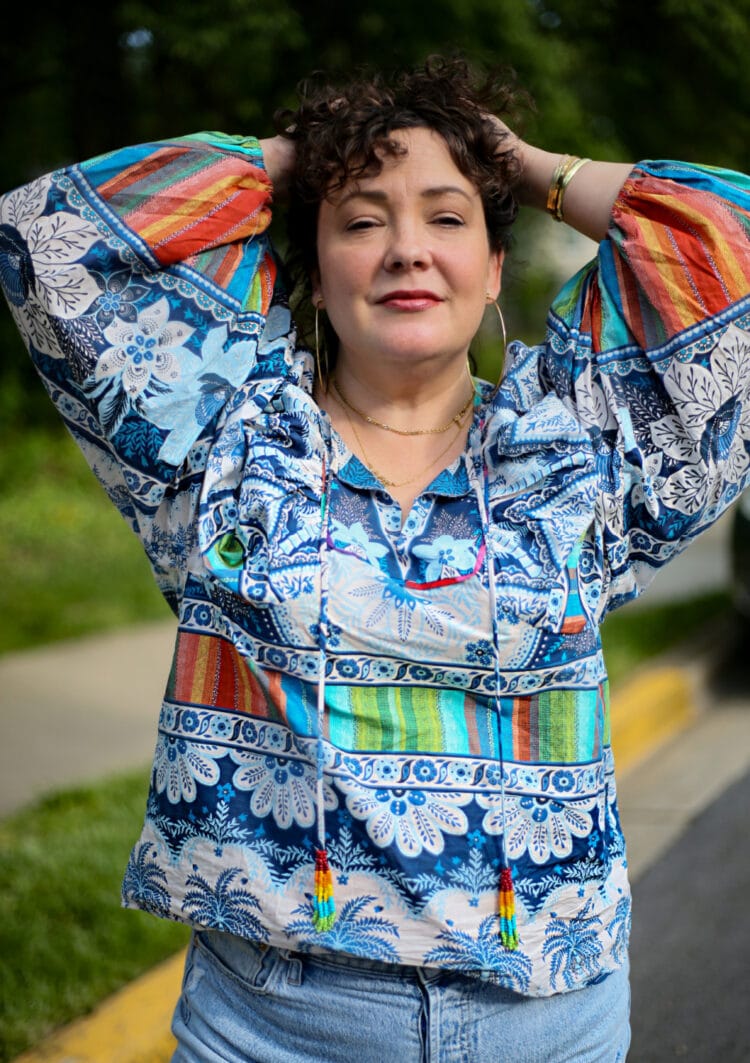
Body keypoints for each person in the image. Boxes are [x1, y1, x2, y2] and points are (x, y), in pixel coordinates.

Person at [1, 55, 749, 1063]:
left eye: (448, 218)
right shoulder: (218, 444)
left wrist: (526, 165)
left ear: (493, 269)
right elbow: (50, 238)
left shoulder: (582, 447)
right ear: (312, 266)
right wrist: (298, 160)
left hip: (545, 1027)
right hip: (270, 1027)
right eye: (360, 220)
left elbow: (730, 243)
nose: (406, 249)